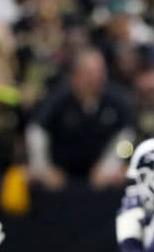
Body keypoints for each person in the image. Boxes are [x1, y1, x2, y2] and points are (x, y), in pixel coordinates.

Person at [25, 48, 133, 190]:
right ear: (76, 75)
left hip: (99, 180)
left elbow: (126, 138)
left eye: (100, 72)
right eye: (90, 73)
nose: (96, 78)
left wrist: (110, 165)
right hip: (60, 180)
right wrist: (44, 168)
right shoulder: (58, 98)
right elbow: (36, 131)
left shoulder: (117, 100)